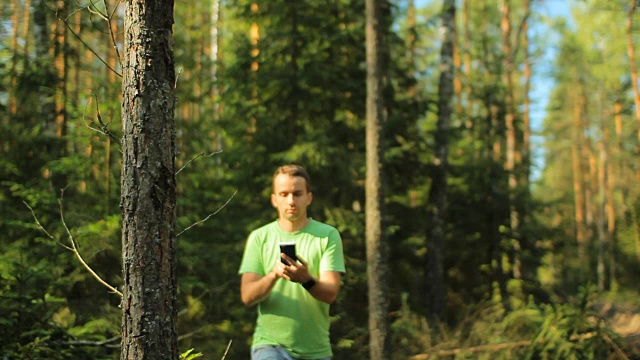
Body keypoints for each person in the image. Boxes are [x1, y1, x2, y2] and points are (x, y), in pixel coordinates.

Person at [239, 164, 346, 360]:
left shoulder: (327, 235)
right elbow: (247, 296)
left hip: (316, 351)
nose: (291, 201)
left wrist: (306, 280)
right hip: (270, 345)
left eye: (297, 193)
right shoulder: (259, 237)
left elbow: (330, 293)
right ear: (274, 199)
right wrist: (273, 275)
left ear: (309, 197)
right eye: (284, 194)